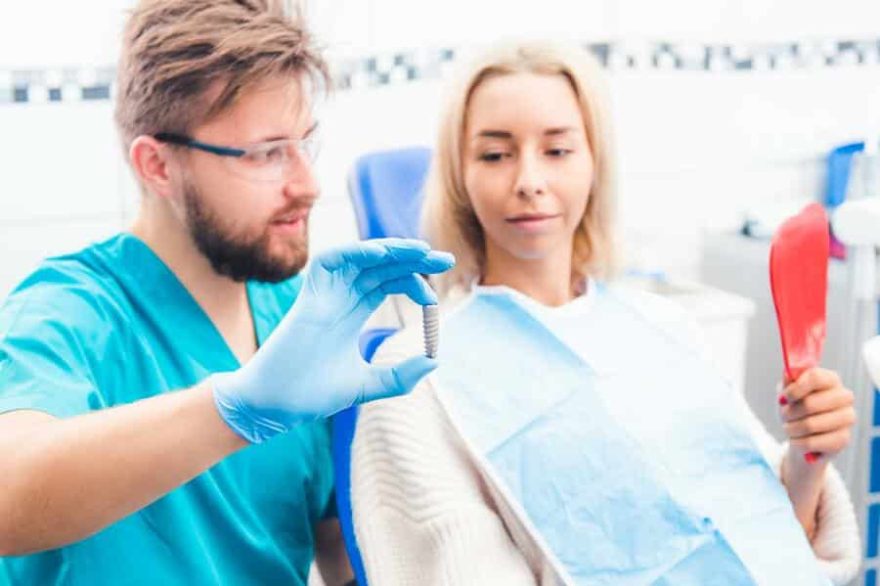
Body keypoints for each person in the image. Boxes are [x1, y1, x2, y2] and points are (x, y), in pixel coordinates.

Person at [351, 41, 860, 585]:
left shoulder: (662, 328)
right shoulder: (416, 379)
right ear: (460, 178)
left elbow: (776, 540)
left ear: (595, 163)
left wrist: (808, 459)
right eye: (495, 154)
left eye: (558, 150)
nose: (529, 180)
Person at [0, 1, 454, 584]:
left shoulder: (295, 321)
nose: (308, 186)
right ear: (157, 166)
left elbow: (346, 558)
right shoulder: (69, 311)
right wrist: (233, 410)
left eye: (303, 145)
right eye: (266, 153)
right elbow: (7, 494)